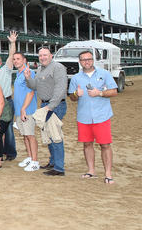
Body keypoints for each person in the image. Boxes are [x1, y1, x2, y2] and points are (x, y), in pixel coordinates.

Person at [69, 50, 118, 184]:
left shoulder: (104, 74)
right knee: (87, 144)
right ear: (80, 62)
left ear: (93, 60)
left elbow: (114, 91)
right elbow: (71, 98)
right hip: (84, 117)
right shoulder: (76, 78)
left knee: (105, 145)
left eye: (89, 59)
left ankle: (108, 173)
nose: (87, 61)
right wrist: (75, 93)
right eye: (84, 59)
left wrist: (100, 93)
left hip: (102, 116)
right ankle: (91, 171)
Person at [25, 46, 68, 176]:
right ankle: (53, 162)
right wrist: (28, 78)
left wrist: (51, 106)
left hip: (54, 105)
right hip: (45, 105)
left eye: (45, 55)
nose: (42, 57)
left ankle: (59, 167)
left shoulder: (58, 68)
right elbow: (34, 86)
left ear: (51, 55)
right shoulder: (40, 69)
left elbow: (61, 89)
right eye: (40, 55)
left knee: (55, 135)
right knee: (48, 134)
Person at [0, 31, 18, 160]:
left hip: (6, 102)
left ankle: (10, 153)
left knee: (9, 129)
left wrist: (12, 43)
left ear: (1, 63)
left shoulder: (5, 70)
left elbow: (12, 55)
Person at [12, 52, 39, 172]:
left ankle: (35, 161)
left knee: (30, 135)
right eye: (14, 59)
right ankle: (29, 157)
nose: (16, 61)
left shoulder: (29, 72)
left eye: (18, 59)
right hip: (19, 111)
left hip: (27, 110)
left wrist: (23, 108)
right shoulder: (18, 74)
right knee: (24, 135)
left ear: (24, 60)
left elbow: (31, 92)